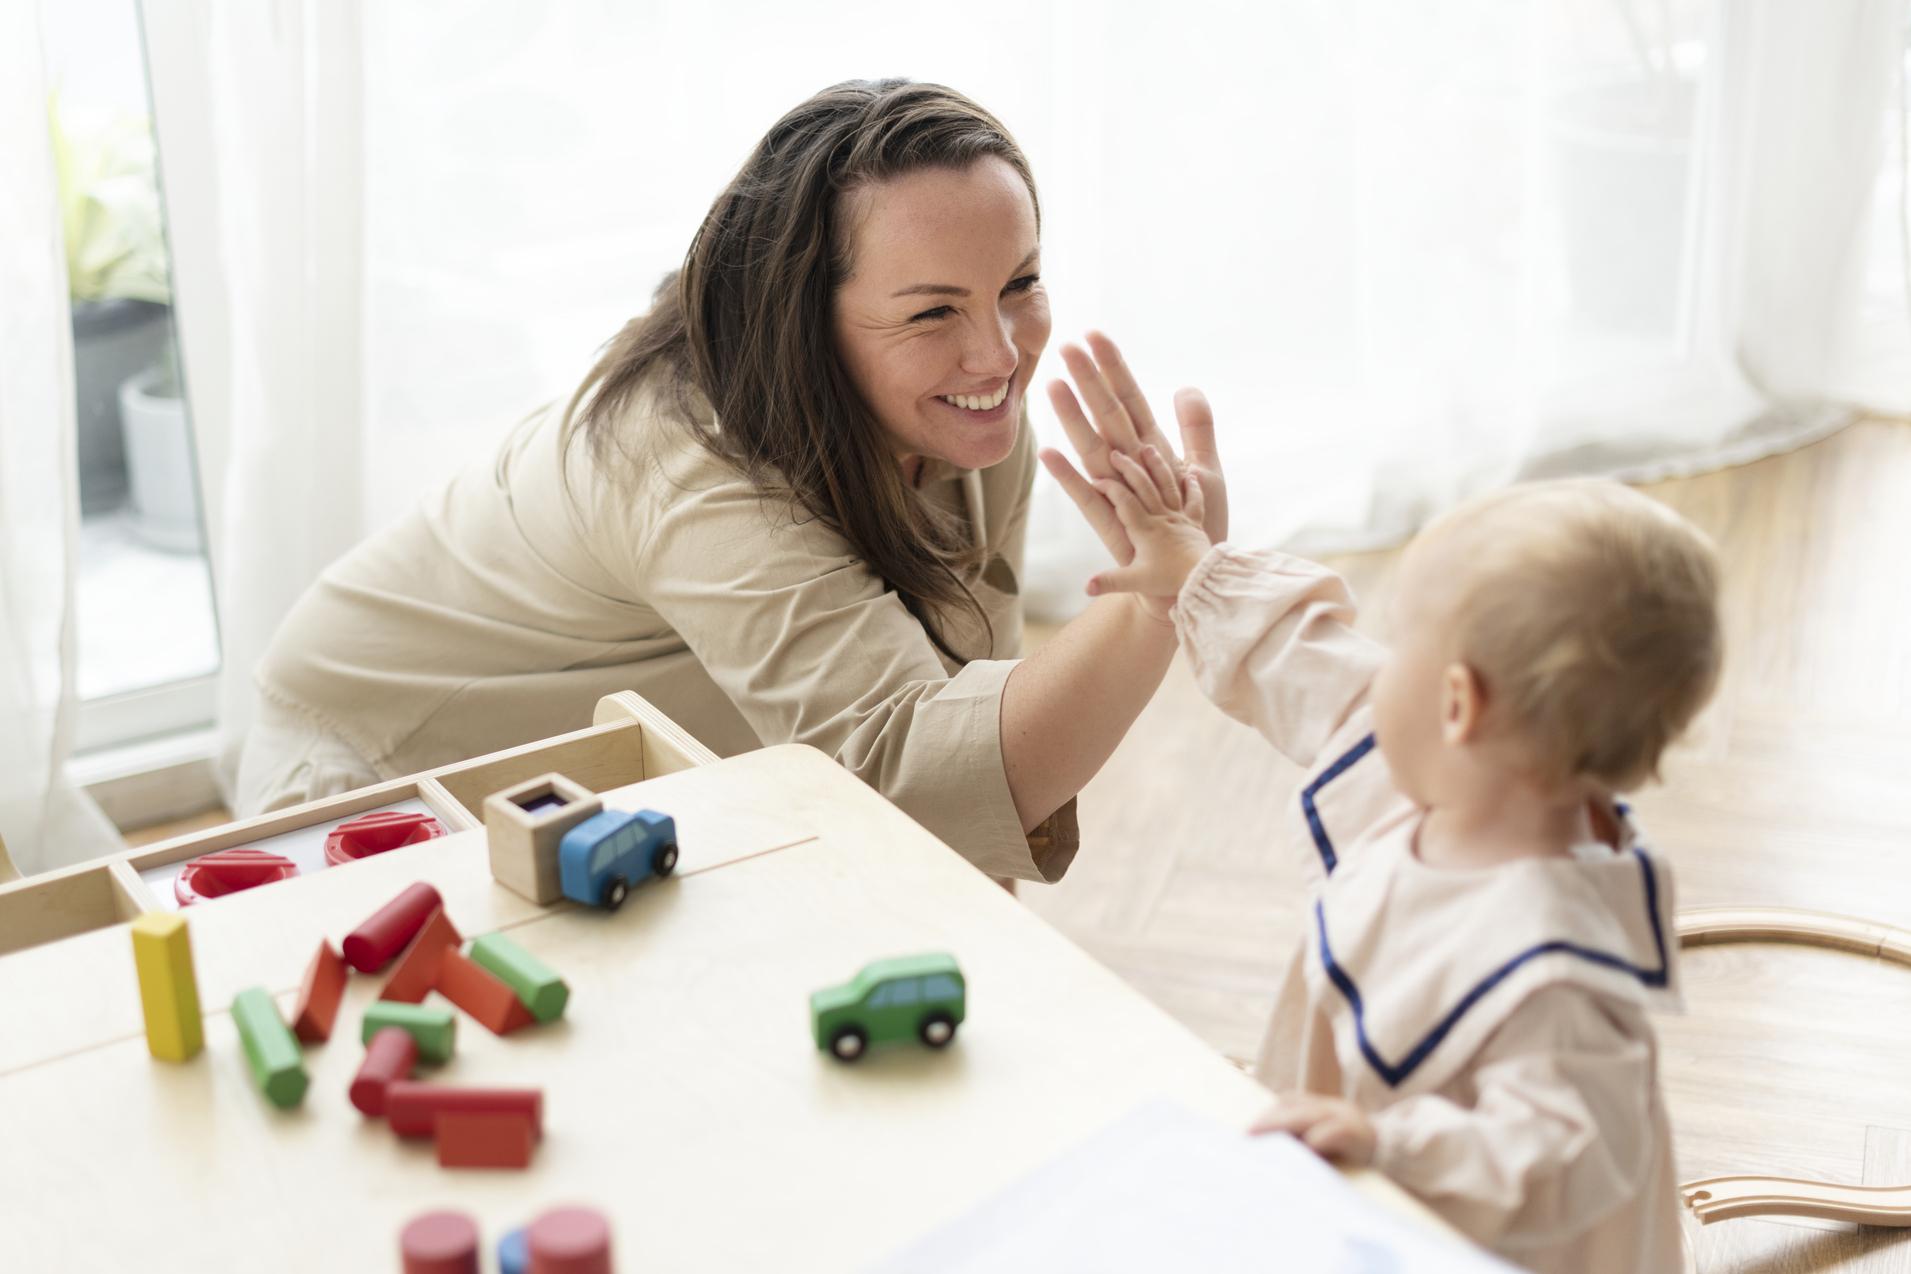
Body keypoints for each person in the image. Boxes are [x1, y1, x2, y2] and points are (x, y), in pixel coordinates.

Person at [235, 79, 1226, 883]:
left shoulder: (965, 413)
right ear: (803, 316)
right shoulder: (683, 463)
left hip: (620, 771)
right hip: (376, 759)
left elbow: (961, 713)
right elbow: (911, 778)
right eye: (932, 312)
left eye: (1019, 283)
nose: (1000, 354)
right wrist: (1154, 601)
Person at [1042, 443, 1720, 1273]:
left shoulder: (1556, 971)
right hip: (1346, 1166)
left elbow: (1557, 1155)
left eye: (1399, 644)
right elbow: (1308, 659)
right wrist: (1194, 572)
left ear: (1457, 704)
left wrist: (1389, 1145)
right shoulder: (1459, 773)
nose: (1375, 664)